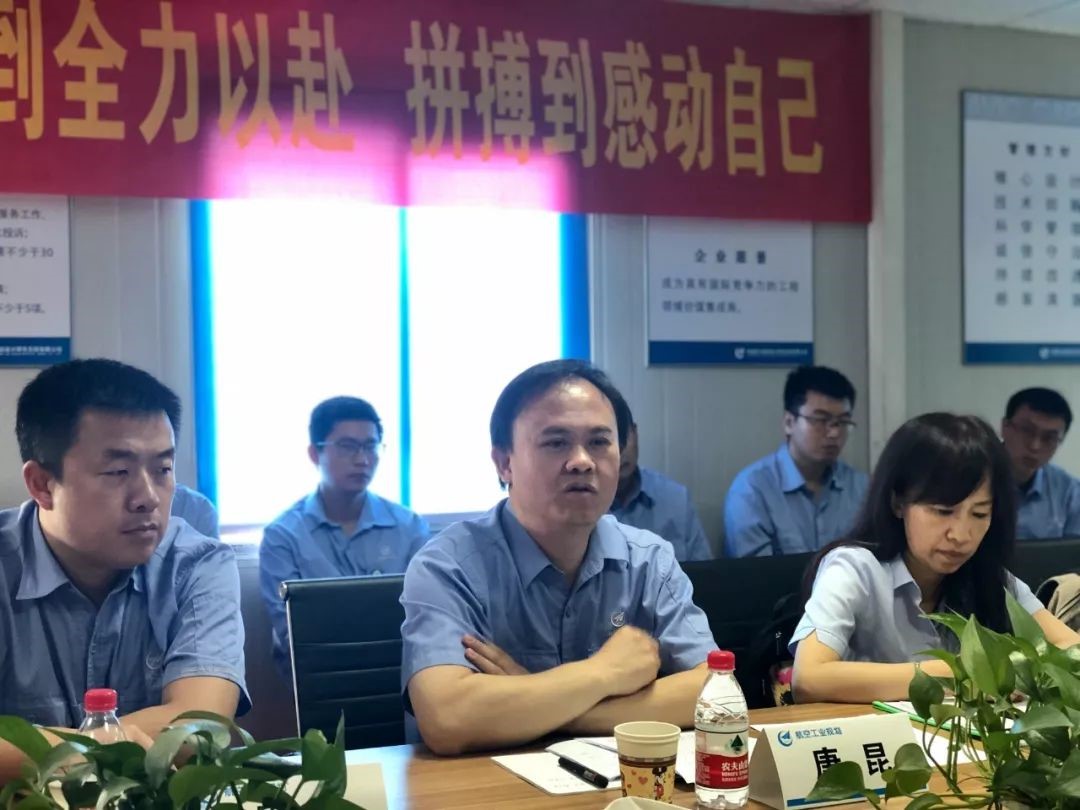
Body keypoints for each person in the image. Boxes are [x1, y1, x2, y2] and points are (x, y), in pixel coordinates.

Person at [400, 359, 716, 755]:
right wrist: (604, 672)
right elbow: (448, 718)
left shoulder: (649, 559)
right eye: (556, 442)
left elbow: (714, 691)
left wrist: (542, 703)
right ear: (504, 462)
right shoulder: (448, 565)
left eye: (599, 442)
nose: (582, 460)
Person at [0, 359, 247, 781]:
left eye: (163, 469)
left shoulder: (198, 564)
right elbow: (173, 736)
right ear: (42, 484)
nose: (148, 497)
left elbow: (200, 727)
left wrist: (49, 750)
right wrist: (114, 745)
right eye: (118, 472)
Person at [790, 413, 1080, 704]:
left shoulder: (989, 577)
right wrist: (959, 673)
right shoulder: (855, 568)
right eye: (943, 511)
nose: (961, 535)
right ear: (898, 502)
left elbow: (1072, 651)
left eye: (980, 513)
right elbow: (809, 678)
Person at [260, 396, 430, 679]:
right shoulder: (283, 536)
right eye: (348, 446)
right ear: (315, 453)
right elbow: (292, 634)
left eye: (370, 446)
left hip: (400, 671)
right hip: (320, 677)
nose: (362, 460)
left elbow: (426, 616)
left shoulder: (409, 527)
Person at [724, 366, 869, 557]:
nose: (834, 433)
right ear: (789, 423)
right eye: (820, 420)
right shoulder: (752, 490)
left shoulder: (862, 487)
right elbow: (755, 573)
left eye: (842, 422)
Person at [608, 397, 711, 562]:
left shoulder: (676, 499)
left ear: (635, 433)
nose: (620, 450)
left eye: (624, 435)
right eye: (605, 440)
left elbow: (704, 572)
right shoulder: (575, 505)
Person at [1000, 387, 1080, 539]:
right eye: (1026, 430)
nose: (1035, 446)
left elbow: (1074, 551)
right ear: (1005, 427)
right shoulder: (968, 475)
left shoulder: (1070, 493)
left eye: (1049, 438)